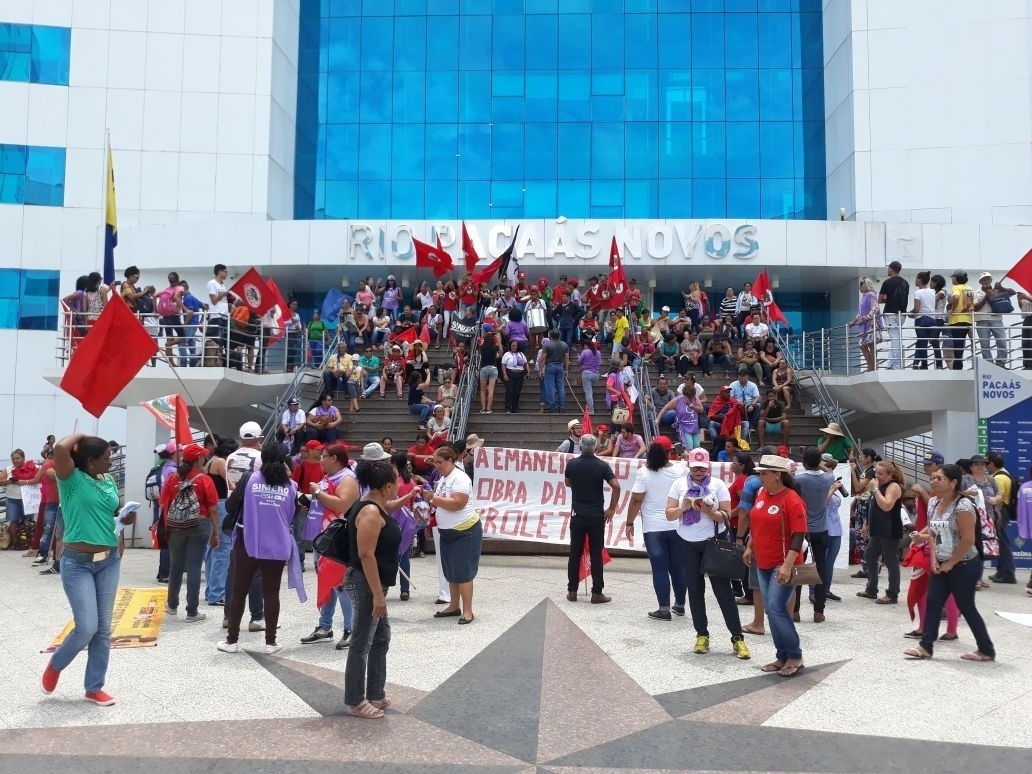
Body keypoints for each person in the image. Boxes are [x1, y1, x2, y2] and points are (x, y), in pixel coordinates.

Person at [42, 434, 129, 705]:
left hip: (109, 561)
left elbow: (111, 515)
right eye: (106, 457)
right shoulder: (71, 479)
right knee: (87, 626)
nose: (111, 460)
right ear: (91, 461)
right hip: (77, 564)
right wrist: (83, 436)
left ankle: (94, 687)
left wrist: (124, 524)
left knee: (103, 630)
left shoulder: (109, 481)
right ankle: (57, 664)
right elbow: (60, 448)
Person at [904, 464, 996, 662]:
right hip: (943, 562)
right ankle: (925, 646)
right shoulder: (936, 503)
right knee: (933, 603)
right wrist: (934, 557)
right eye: (933, 478)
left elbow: (968, 540)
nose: (933, 481)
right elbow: (934, 531)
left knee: (966, 606)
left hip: (964, 563)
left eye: (939, 478)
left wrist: (951, 563)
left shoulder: (963, 506)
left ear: (953, 482)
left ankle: (986, 649)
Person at [218, 445, 305, 654]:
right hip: (277, 545)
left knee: (239, 591)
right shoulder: (291, 486)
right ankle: (270, 642)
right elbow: (291, 516)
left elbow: (230, 507)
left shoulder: (249, 480)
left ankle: (231, 641)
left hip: (248, 542)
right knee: (271, 593)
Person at [665, 448, 750, 660]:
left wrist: (708, 512)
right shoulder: (679, 484)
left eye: (702, 467)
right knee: (694, 591)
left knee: (723, 592)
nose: (699, 471)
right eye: (695, 467)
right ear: (689, 466)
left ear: (708, 466)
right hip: (687, 542)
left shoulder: (718, 484)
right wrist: (684, 507)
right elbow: (669, 514)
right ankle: (701, 635)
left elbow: (726, 516)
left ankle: (737, 638)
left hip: (713, 543)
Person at [341, 457, 402, 719]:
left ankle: (375, 691)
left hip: (375, 583)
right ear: (387, 486)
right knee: (362, 641)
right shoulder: (369, 512)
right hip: (366, 583)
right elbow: (366, 554)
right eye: (397, 481)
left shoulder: (377, 505)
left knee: (380, 637)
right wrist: (378, 594)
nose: (399, 485)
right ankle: (355, 700)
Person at [742, 455, 807, 677]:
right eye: (759, 472)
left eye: (764, 473)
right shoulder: (762, 494)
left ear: (777, 475)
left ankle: (795, 655)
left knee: (777, 609)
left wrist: (787, 566)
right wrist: (750, 546)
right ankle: (782, 656)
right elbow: (756, 522)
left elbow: (799, 535)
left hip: (783, 564)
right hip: (763, 561)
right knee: (772, 611)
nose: (759, 476)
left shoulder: (792, 499)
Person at [302, 443, 360, 650]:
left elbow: (342, 504)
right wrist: (310, 499)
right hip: (324, 539)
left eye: (323, 456)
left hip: (338, 540)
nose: (320, 459)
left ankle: (351, 629)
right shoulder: (329, 478)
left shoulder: (348, 479)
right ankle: (324, 627)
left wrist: (318, 492)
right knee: (327, 582)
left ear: (334, 458)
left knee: (340, 584)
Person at [626, 437, 687, 620]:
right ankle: (680, 604)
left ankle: (663, 608)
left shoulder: (644, 472)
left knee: (660, 569)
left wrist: (629, 523)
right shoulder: (680, 469)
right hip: (677, 524)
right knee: (678, 567)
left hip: (653, 527)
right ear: (670, 453)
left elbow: (637, 499)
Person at [160, 443, 220, 622]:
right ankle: (192, 612)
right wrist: (216, 532)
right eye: (203, 456)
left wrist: (167, 527)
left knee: (176, 566)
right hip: (199, 525)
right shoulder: (204, 480)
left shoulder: (172, 479)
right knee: (194, 567)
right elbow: (213, 509)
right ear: (198, 459)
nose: (205, 458)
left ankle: (172, 605)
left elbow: (165, 505)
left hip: (176, 526)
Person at [426, 446, 480, 623]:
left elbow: (458, 504)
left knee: (463, 572)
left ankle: (468, 610)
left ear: (450, 461)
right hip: (448, 531)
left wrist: (433, 498)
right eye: (434, 463)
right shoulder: (444, 478)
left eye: (439, 462)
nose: (437, 466)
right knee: (451, 570)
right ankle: (454, 605)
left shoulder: (460, 478)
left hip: (465, 530)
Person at [563, 434, 620, 603]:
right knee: (596, 553)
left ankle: (572, 590)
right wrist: (611, 508)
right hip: (596, 515)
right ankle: (597, 592)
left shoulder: (572, 464)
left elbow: (567, 482)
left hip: (577, 514)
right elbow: (616, 486)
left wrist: (580, 485)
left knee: (575, 552)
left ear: (580, 446)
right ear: (596, 448)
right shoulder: (602, 466)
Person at [794, 448, 836, 622]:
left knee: (796, 567)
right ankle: (819, 611)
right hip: (821, 529)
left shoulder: (799, 479)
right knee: (821, 569)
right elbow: (829, 471)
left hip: (801, 528)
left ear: (803, 462)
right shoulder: (828, 478)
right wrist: (819, 462)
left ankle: (795, 610)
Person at [857, 460, 904, 604]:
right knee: (869, 555)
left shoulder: (893, 486)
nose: (876, 475)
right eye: (876, 472)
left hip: (890, 528)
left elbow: (886, 506)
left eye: (880, 473)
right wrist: (866, 523)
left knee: (891, 561)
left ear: (890, 474)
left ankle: (892, 593)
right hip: (878, 528)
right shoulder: (878, 486)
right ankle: (871, 588)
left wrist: (875, 489)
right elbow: (873, 506)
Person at [203, 436, 236, 606]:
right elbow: (230, 485)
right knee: (222, 549)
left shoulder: (209, 462)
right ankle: (217, 592)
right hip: (221, 505)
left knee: (212, 549)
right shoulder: (221, 463)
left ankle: (211, 591)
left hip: (212, 506)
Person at [879, 260, 909, 369]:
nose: (887, 270)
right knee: (895, 338)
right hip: (902, 314)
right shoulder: (905, 282)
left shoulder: (887, 283)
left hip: (890, 313)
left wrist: (887, 298)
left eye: (888, 268)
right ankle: (891, 364)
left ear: (892, 269)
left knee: (895, 339)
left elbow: (880, 300)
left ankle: (896, 365)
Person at [911, 270, 943, 370]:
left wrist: (910, 313)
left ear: (920, 280)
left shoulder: (918, 292)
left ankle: (923, 365)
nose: (915, 281)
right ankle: (939, 365)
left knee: (922, 342)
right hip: (932, 319)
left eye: (916, 279)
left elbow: (916, 309)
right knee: (934, 342)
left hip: (921, 319)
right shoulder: (932, 292)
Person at [848, 277, 881, 372]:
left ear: (865, 285)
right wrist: (853, 323)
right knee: (863, 345)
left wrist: (868, 316)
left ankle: (872, 366)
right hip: (864, 325)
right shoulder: (864, 297)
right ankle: (871, 364)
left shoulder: (871, 295)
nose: (859, 288)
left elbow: (875, 308)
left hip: (870, 324)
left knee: (870, 345)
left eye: (860, 286)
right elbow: (860, 314)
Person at [946, 269, 975, 369]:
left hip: (957, 319)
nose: (952, 279)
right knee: (962, 343)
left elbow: (957, 298)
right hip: (967, 319)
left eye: (953, 277)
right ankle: (960, 364)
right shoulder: (969, 288)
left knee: (957, 344)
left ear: (957, 278)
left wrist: (952, 310)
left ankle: (958, 365)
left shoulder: (956, 287)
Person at [541, 329, 569, 413]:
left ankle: (552, 406)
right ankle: (562, 405)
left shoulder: (547, 344)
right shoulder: (564, 345)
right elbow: (567, 358)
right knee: (560, 387)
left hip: (549, 365)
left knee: (550, 387)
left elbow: (543, 358)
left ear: (551, 336)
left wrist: (540, 369)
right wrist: (566, 369)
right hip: (560, 365)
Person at [501, 338, 530, 414]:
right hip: (510, 374)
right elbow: (503, 365)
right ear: (510, 346)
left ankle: (515, 408)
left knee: (517, 392)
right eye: (512, 345)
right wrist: (504, 374)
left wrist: (528, 371)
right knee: (510, 391)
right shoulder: (507, 354)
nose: (514, 347)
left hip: (519, 374)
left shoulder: (521, 354)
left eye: (515, 345)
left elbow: (526, 363)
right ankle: (507, 407)